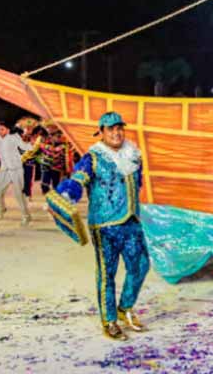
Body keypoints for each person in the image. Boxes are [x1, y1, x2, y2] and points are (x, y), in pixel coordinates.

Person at [53, 111, 151, 341]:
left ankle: (125, 307)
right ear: (102, 132)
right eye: (111, 129)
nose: (116, 133)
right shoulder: (93, 157)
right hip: (105, 226)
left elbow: (137, 184)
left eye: (119, 128)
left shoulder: (134, 155)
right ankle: (109, 320)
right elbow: (78, 180)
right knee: (107, 273)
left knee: (141, 265)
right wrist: (67, 195)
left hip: (131, 221)